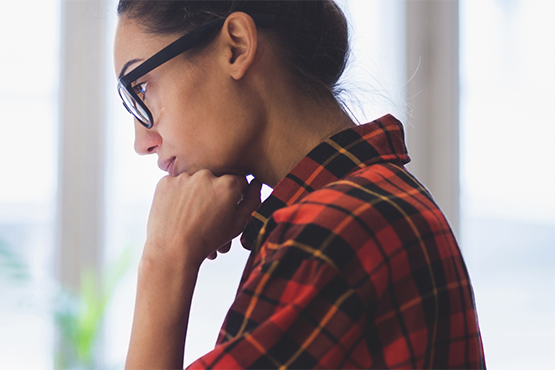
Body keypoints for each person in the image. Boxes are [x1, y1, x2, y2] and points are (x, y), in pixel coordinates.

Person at [112, 0, 485, 369]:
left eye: (141, 89)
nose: (141, 143)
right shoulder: (374, 198)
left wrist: (164, 260)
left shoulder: (330, 232)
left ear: (236, 46)